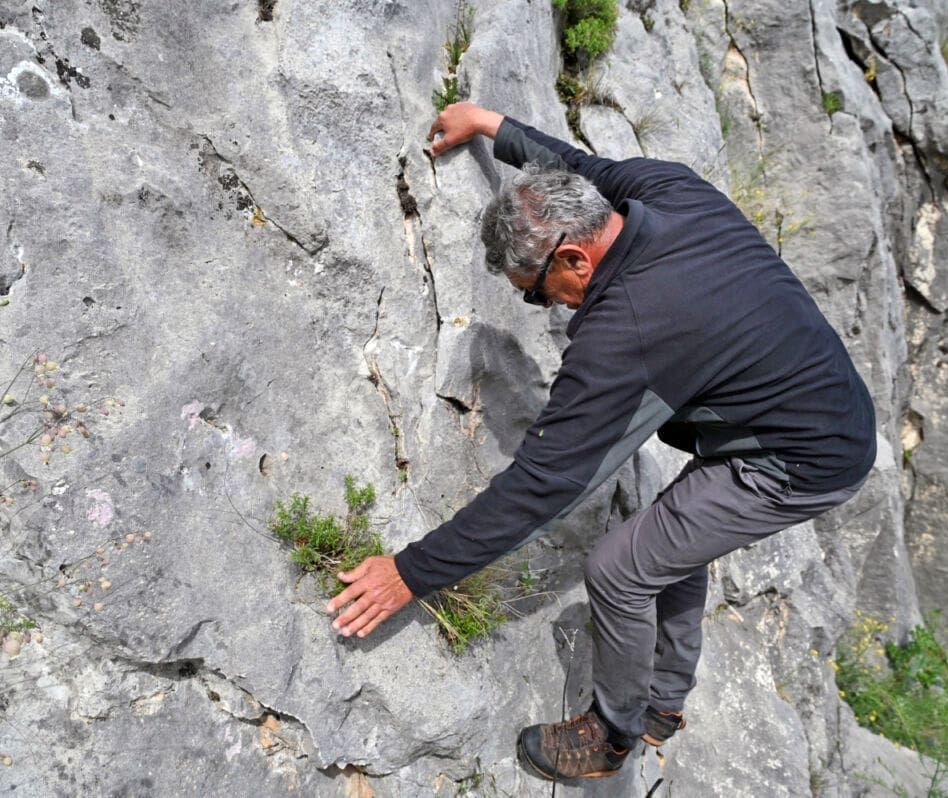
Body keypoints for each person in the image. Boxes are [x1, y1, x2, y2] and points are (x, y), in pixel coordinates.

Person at [324, 102, 876, 781]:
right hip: (812, 400)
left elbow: (544, 485)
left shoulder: (630, 331)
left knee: (620, 569)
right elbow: (577, 165)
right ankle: (664, 701)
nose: (549, 306)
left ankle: (613, 735)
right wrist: (493, 126)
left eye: (538, 293)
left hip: (803, 459)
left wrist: (410, 572)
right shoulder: (668, 190)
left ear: (574, 258)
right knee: (669, 541)